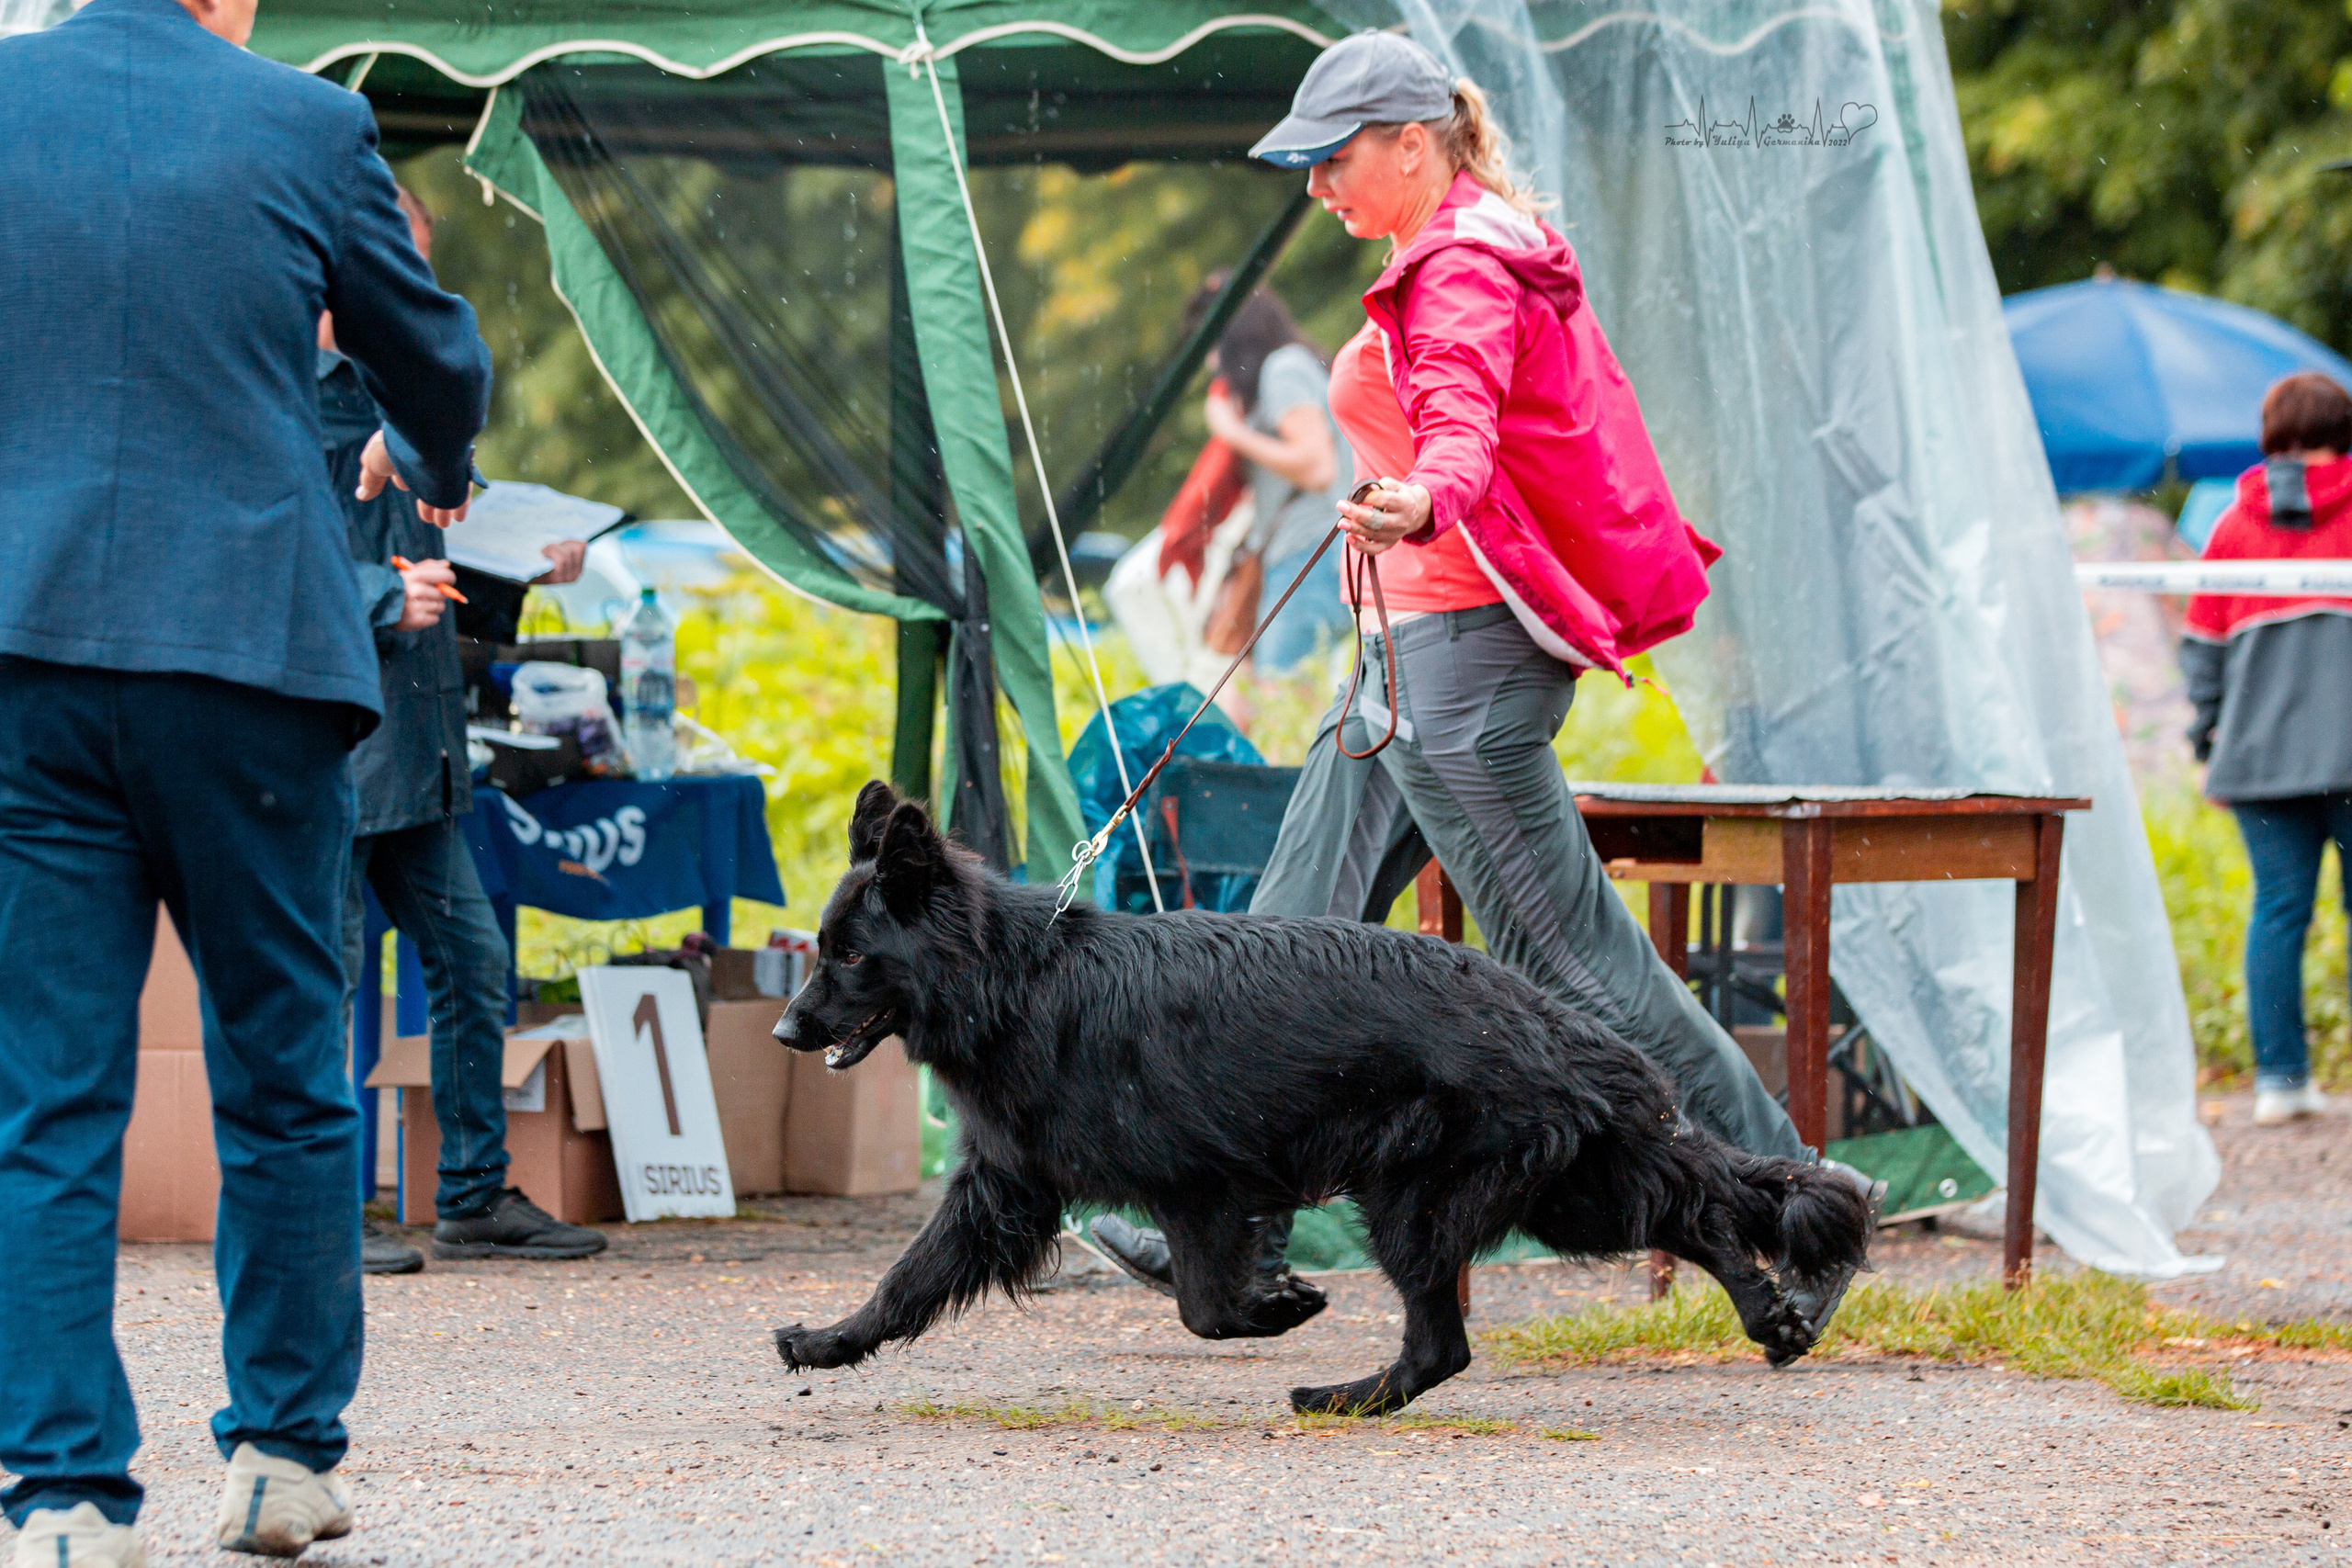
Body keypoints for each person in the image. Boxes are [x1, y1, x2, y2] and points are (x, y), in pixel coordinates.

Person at [1089, 31, 1873, 1328]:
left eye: (1333, 160)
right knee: (1280, 951)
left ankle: (1805, 1204)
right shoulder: (1431, 250)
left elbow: (1460, 416)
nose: (1316, 187)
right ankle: (1224, 1233)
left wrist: (1422, 497)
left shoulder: (1465, 261)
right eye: (1306, 165)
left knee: (1576, 969)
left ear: (1413, 143)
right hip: (1396, 662)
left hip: (1458, 675)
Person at [0, 0, 491, 1558]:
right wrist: (441, 460)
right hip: (249, 655)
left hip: (28, 647)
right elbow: (431, 354)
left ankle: (64, 1488)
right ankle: (281, 1450)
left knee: (46, 1090)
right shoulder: (305, 124)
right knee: (281, 1065)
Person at [322, 187, 604, 1275]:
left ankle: (472, 1196)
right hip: (338, 755)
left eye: (421, 263)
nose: (411, 286)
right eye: (394, 258)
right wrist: (386, 600)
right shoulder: (295, 404)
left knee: (473, 969)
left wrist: (525, 570)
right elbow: (260, 570)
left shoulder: (424, 408)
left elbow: (457, 577)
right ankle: (315, 1215)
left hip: (429, 755)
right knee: (325, 986)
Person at [2181, 370, 2352, 1128]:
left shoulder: (2230, 526)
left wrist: (2206, 730)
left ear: (2273, 435)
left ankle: (2282, 1080)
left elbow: (2203, 647)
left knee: (2279, 911)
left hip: (2259, 758)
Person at [1193, 279, 1357, 677]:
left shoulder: (1282, 369)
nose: (1210, 363)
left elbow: (1317, 467)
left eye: (1209, 346)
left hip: (1310, 550)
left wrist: (1233, 433)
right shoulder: (1288, 367)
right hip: (1308, 551)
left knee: (1280, 695)